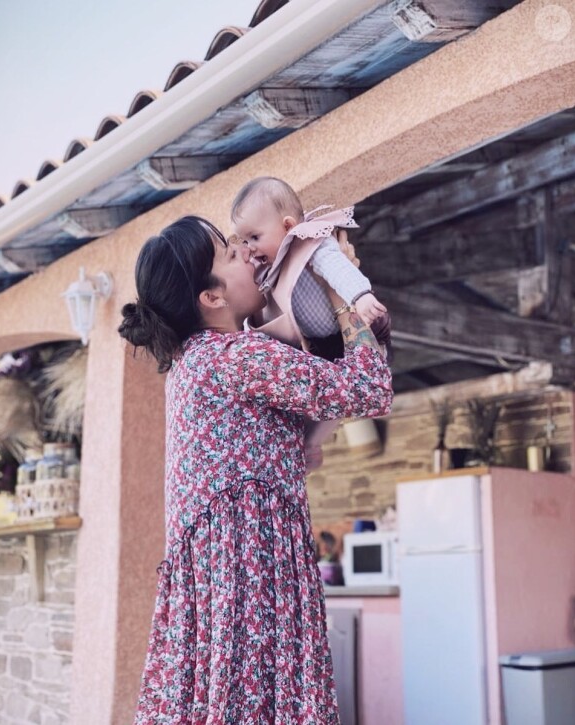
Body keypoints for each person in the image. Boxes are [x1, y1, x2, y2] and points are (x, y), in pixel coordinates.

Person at [118, 215, 393, 724]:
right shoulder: (235, 358)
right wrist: (339, 292)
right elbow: (369, 388)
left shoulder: (193, 364)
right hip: (251, 573)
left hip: (228, 577)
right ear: (212, 298)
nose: (246, 254)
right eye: (229, 254)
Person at [230, 176, 388, 351]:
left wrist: (360, 296)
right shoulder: (267, 267)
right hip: (319, 344)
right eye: (244, 241)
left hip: (358, 318)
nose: (249, 248)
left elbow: (337, 267)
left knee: (374, 358)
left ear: (288, 226)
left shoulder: (309, 242)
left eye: (255, 237)